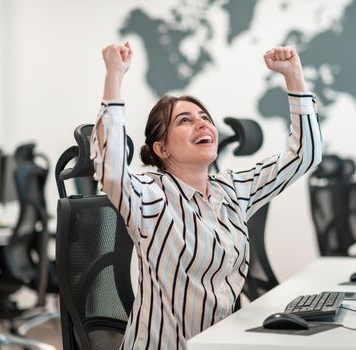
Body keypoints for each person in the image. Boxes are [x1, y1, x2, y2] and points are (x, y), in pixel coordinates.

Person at [91, 42, 322, 349]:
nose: (202, 123)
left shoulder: (231, 190)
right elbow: (111, 169)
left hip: (221, 343)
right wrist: (115, 76)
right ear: (162, 149)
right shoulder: (151, 196)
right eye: (184, 120)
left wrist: (294, 76)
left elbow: (304, 156)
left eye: (204, 117)